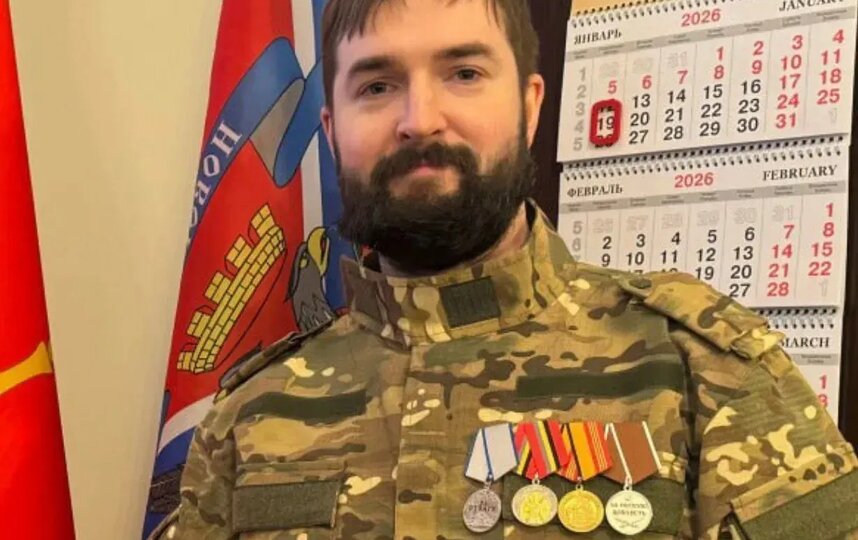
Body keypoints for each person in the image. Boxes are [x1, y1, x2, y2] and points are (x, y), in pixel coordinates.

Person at [150, 0, 858, 538]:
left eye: (463, 73)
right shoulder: (250, 415)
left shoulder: (701, 366)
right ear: (331, 133)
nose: (420, 119)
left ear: (529, 106)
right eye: (376, 86)